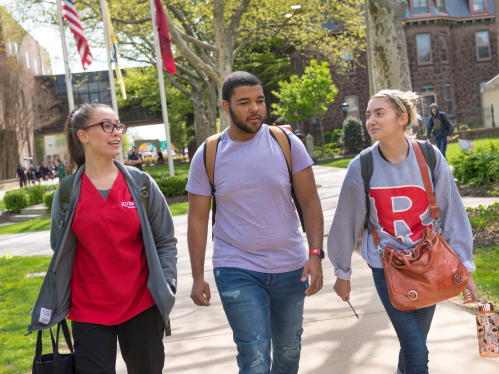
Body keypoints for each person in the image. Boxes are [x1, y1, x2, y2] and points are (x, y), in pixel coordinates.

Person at [328, 89, 478, 374]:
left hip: (429, 263)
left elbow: (453, 213)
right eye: (368, 114)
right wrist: (342, 272)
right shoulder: (361, 166)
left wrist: (464, 266)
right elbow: (345, 222)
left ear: (402, 119)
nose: (370, 120)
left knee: (413, 345)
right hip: (387, 267)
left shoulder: (430, 156)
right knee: (416, 348)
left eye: (379, 113)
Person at [186, 71, 324, 374]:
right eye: (244, 102)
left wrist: (315, 254)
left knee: (289, 351)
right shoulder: (209, 153)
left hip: (290, 267)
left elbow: (310, 201)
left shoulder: (286, 143)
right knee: (255, 355)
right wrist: (198, 275)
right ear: (226, 107)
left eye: (260, 101)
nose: (255, 109)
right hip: (236, 266)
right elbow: (197, 218)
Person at [29, 103, 178, 373]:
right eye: (106, 126)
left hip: (142, 303)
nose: (117, 132)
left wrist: (166, 283)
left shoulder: (141, 184)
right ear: (83, 135)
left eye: (118, 125)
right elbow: (59, 245)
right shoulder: (66, 192)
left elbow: (166, 238)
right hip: (89, 308)